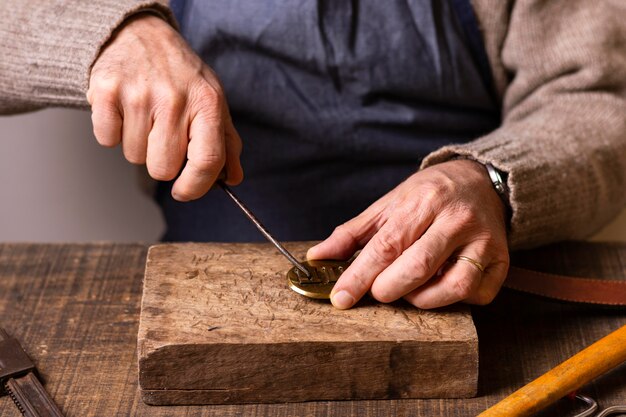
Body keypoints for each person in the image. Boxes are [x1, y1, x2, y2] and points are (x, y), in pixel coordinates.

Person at [1, 0, 624, 311]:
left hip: (470, 292)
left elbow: (601, 98)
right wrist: (114, 32)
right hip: (204, 286)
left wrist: (489, 178)